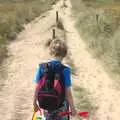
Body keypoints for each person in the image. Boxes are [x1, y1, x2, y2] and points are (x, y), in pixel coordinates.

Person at [33, 39, 77, 119]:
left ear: (50, 52)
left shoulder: (42, 67)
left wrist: (34, 103)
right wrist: (72, 108)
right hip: (61, 106)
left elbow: (37, 87)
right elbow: (67, 93)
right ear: (64, 54)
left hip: (44, 104)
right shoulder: (65, 70)